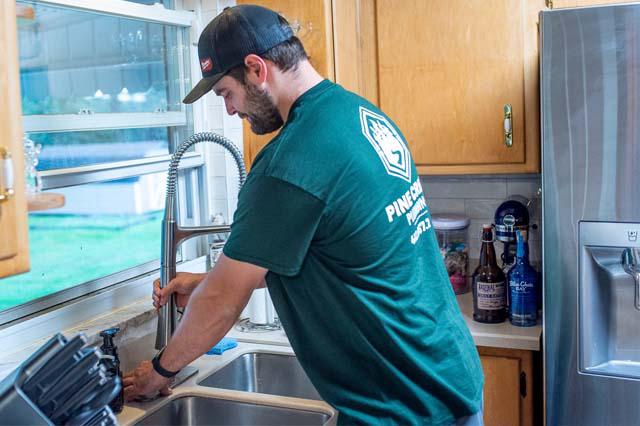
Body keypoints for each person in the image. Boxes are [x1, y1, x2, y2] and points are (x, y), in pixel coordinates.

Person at [123, 4, 484, 425]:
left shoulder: (288, 163)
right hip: (447, 376)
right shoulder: (358, 113)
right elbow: (333, 256)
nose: (230, 110)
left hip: (403, 405)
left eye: (225, 93)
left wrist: (159, 371)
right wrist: (205, 282)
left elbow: (221, 304)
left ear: (256, 69)